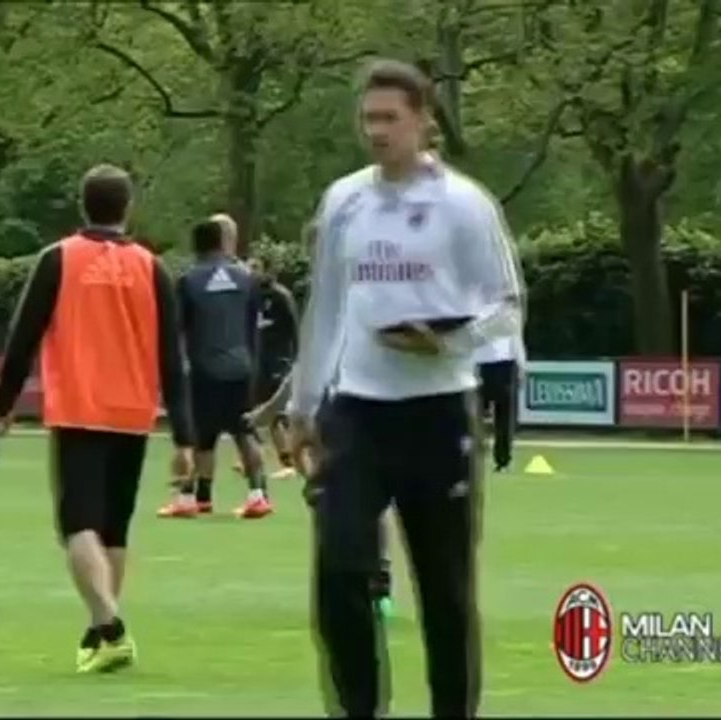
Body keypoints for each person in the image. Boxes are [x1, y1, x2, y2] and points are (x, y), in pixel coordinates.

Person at [287, 59, 525, 718]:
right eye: (369, 119)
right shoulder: (345, 201)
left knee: (445, 590)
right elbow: (327, 305)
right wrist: (305, 403)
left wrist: (445, 341)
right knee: (339, 572)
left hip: (438, 411)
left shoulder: (466, 206)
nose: (377, 132)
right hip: (357, 413)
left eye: (390, 118)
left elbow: (507, 308)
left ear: (423, 119)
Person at [0, 164, 196, 674]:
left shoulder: (59, 259)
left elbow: (23, 336)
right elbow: (173, 358)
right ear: (128, 208)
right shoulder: (153, 267)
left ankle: (110, 625)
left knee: (77, 526)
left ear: (83, 204)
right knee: (114, 531)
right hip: (133, 412)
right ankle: (101, 635)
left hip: (81, 408)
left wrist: (3, 403)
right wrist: (186, 437)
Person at [157, 217, 271, 520]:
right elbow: (252, 326)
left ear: (195, 246)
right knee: (244, 430)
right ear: (222, 242)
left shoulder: (190, 280)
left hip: (204, 368)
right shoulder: (246, 278)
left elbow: (177, 329)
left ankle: (189, 498)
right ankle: (257, 494)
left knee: (199, 435)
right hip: (242, 366)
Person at [246, 256, 301, 481]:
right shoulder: (252, 297)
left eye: (256, 267)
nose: (251, 272)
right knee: (255, 409)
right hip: (259, 362)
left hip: (279, 361)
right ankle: (253, 457)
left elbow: (295, 330)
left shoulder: (281, 296)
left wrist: (296, 359)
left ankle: (290, 462)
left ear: (267, 271)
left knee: (276, 413)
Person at [474, 332, 525, 472]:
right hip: (481, 363)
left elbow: (515, 336)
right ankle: (475, 457)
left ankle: (503, 460)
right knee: (474, 417)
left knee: (504, 416)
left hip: (503, 362)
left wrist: (521, 363)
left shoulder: (509, 311)